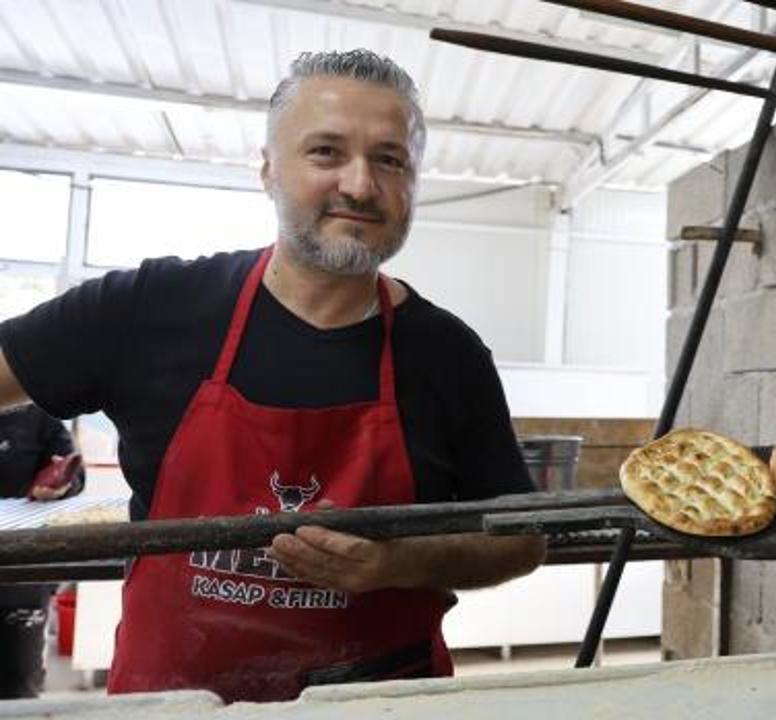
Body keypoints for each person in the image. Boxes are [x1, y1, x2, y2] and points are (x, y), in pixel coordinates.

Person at [0, 49, 546, 703]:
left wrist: (401, 561)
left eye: (389, 160)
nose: (360, 185)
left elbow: (520, 539)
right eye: (326, 152)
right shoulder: (150, 308)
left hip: (375, 702)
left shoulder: (448, 355)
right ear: (268, 169)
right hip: (178, 705)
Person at [0, 405, 85, 699]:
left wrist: (62, 485)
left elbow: (74, 472)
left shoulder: (36, 414)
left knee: (19, 688)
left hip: (22, 575)